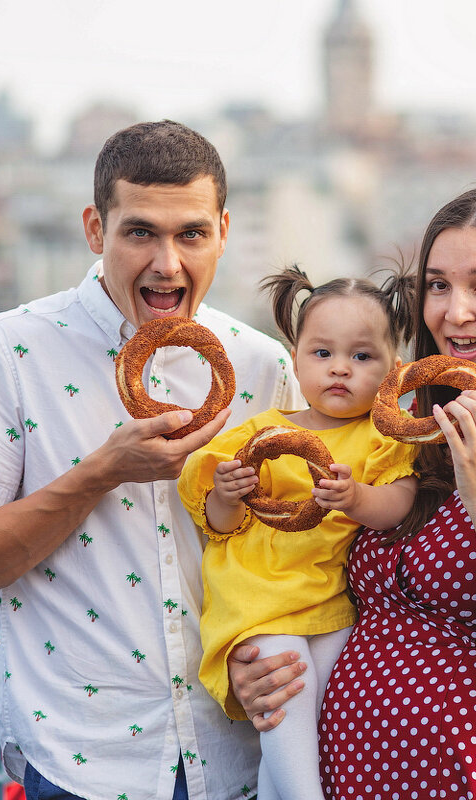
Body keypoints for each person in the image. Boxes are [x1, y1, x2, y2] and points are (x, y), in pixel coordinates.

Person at [0, 121, 302, 800]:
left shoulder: (260, 365)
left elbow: (303, 551)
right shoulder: (10, 352)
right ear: (96, 230)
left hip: (240, 756)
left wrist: (275, 649)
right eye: (140, 232)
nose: (167, 263)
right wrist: (102, 471)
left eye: (191, 234)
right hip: (82, 762)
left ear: (223, 232)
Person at [228, 185, 476, 799]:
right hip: (345, 781)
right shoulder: (410, 432)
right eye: (438, 286)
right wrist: (249, 667)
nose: (455, 311)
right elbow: (306, 583)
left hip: (459, 780)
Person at [177, 266, 419, 800]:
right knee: (288, 700)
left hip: (330, 607)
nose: (340, 369)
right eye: (322, 353)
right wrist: (225, 493)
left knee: (304, 730)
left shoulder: (383, 439)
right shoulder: (261, 435)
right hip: (259, 604)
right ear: (295, 357)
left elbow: (397, 506)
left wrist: (357, 498)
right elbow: (218, 525)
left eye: (361, 356)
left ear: (392, 370)